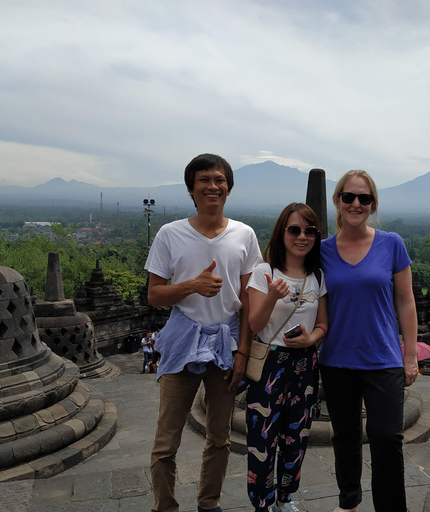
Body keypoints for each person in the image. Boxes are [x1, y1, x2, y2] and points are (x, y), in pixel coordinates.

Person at [144, 153, 263, 512]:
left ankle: (209, 503)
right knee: (166, 441)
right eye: (204, 181)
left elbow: (247, 299)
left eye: (219, 180)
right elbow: (154, 294)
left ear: (228, 188)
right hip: (183, 341)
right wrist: (192, 285)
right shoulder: (170, 234)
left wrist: (243, 351)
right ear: (191, 190)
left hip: (226, 344)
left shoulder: (244, 235)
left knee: (220, 437)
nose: (213, 186)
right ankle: (164, 505)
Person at [320, 170, 418, 512]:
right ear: (338, 200)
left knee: (387, 438)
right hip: (336, 360)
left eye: (364, 198)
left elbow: (406, 301)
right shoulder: (322, 252)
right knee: (344, 437)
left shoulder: (392, 243)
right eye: (349, 197)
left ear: (373, 203)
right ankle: (349, 502)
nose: (356, 204)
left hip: (384, 357)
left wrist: (410, 355)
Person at [245, 203, 328, 512]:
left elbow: (324, 324)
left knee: (297, 435)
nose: (302, 237)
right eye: (294, 230)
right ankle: (262, 503)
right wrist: (271, 297)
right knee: (262, 439)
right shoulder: (264, 272)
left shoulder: (318, 275)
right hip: (269, 362)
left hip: (305, 362)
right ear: (282, 233)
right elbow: (254, 324)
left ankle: (285, 497)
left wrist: (312, 338)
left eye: (310, 231)